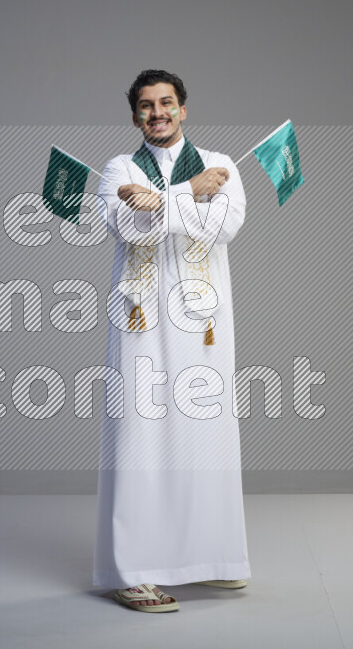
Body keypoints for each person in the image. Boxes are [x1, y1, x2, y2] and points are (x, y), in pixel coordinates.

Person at [92, 70, 251, 612]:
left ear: (183, 109)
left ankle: (212, 557)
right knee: (138, 438)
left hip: (201, 322)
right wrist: (187, 194)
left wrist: (157, 201)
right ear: (134, 115)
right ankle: (132, 571)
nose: (156, 113)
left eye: (166, 103)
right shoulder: (118, 169)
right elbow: (127, 228)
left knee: (206, 435)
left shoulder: (222, 163)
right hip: (139, 321)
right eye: (145, 105)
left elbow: (222, 226)